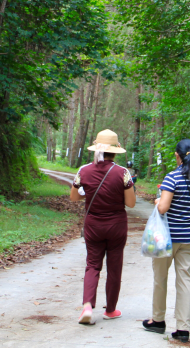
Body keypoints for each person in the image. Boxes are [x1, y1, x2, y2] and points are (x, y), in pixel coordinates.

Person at [70, 129, 137, 325]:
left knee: (92, 265)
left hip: (93, 225)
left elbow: (74, 197)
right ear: (115, 151)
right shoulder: (123, 173)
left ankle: (88, 305)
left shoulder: (84, 171)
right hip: (116, 225)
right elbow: (131, 204)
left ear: (96, 149)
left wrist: (88, 193)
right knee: (114, 267)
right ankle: (110, 309)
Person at [142, 139, 190, 343]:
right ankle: (183, 329)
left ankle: (158, 321)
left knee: (160, 278)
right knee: (185, 279)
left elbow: (163, 208)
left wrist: (158, 200)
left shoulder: (172, 177)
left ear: (177, 155)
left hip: (167, 238)